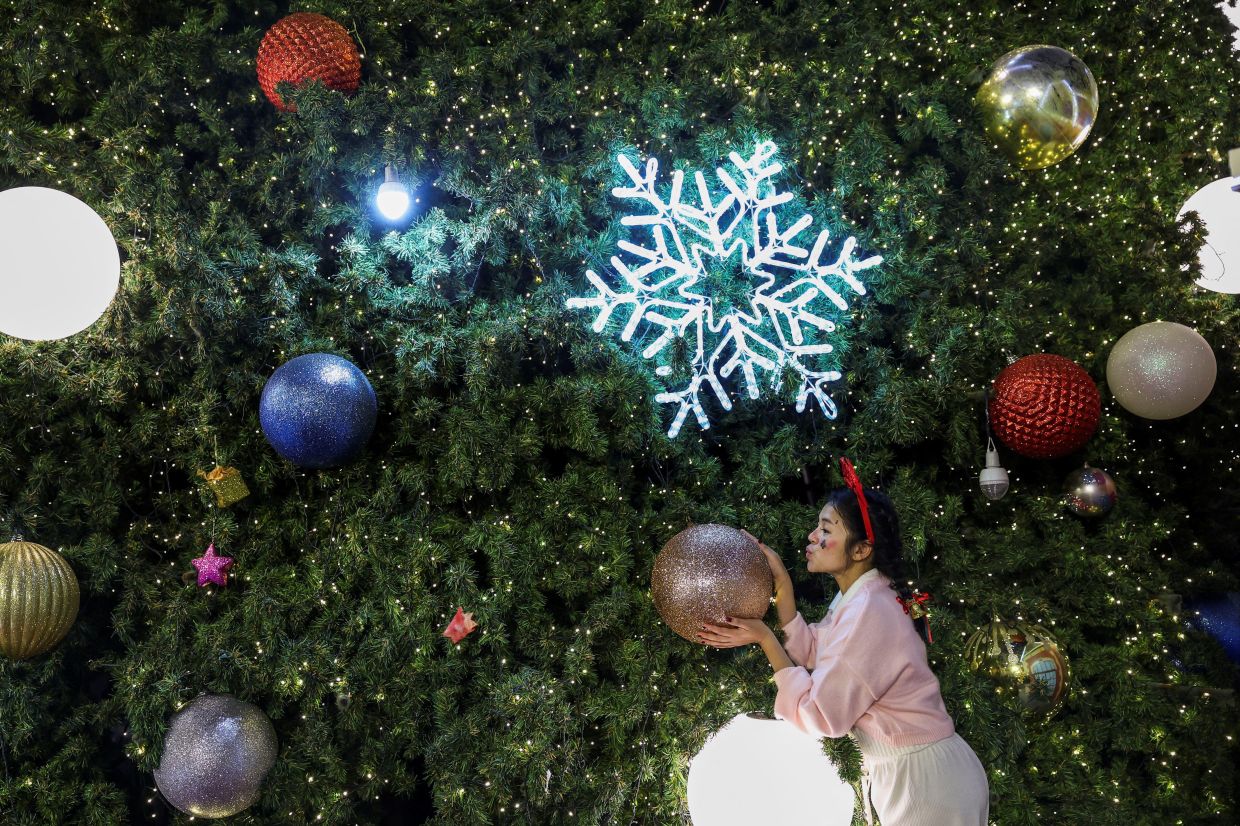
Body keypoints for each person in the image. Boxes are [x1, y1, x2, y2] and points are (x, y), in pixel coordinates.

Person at [699, 458, 990, 825]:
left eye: (825, 528)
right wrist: (783, 587)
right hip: (920, 773)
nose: (812, 537)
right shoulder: (864, 596)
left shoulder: (869, 610)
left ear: (861, 549)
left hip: (926, 784)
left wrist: (765, 638)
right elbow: (818, 654)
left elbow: (822, 714)